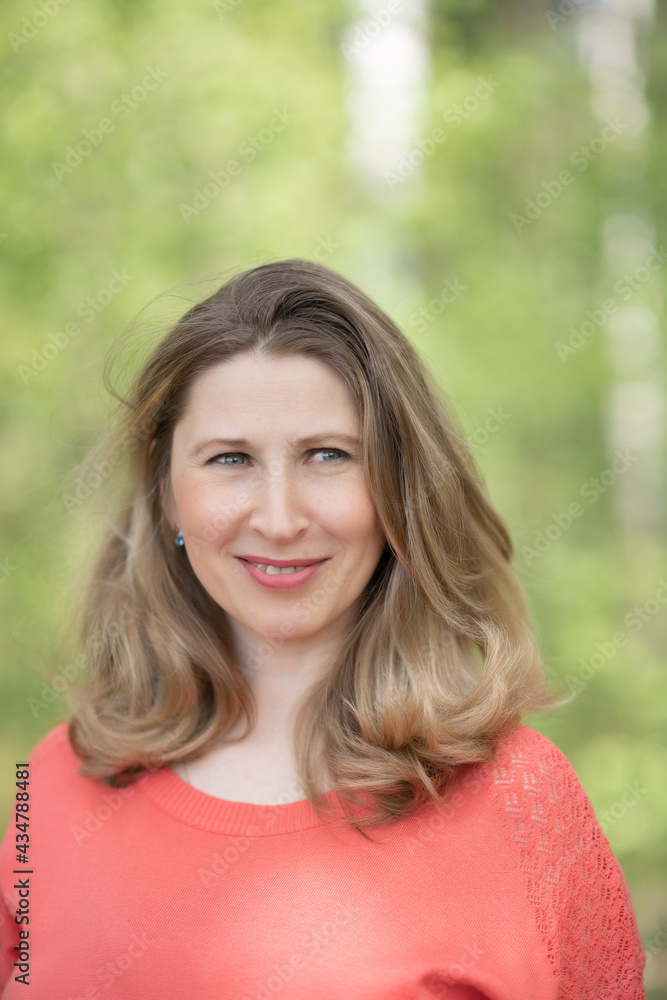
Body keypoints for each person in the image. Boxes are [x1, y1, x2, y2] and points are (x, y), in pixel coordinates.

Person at [0, 259, 646, 998]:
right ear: (167, 495)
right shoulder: (53, 784)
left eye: (327, 455)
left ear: (398, 488)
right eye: (231, 459)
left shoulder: (520, 802)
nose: (279, 519)